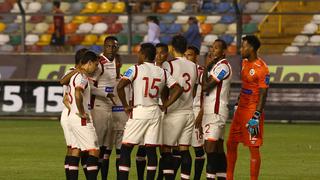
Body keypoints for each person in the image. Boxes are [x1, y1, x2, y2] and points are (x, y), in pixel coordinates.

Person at [117, 43, 183, 180]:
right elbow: (178, 89)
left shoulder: (135, 69)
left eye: (139, 52)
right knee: (151, 150)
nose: (138, 55)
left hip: (139, 111)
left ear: (143, 54)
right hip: (155, 112)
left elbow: (120, 86)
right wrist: (165, 105)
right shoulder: (163, 72)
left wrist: (125, 105)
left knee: (126, 149)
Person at [226, 35, 269, 180]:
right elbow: (245, 87)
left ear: (251, 48)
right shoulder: (244, 63)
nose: (241, 49)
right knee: (231, 143)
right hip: (241, 110)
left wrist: (257, 115)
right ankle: (229, 177)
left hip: (252, 112)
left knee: (253, 147)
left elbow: (263, 94)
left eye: (243, 46)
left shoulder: (262, 68)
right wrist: (238, 102)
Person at [161, 35, 198, 180]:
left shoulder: (168, 65)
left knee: (166, 150)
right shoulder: (194, 66)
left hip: (174, 112)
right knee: (184, 150)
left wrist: (164, 104)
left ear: (171, 48)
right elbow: (193, 89)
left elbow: (164, 87)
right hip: (189, 111)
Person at [195, 39, 232, 180]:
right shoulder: (216, 66)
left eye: (216, 48)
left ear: (223, 52)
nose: (213, 50)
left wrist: (206, 67)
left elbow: (205, 86)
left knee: (209, 150)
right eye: (212, 47)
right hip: (211, 112)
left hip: (216, 113)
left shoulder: (223, 67)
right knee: (217, 149)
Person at [67, 50, 100, 180]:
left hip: (72, 118)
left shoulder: (74, 76)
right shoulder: (82, 77)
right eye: (95, 65)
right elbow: (77, 92)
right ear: (89, 62)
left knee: (76, 150)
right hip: (80, 119)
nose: (96, 68)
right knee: (94, 150)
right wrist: (82, 112)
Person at [90, 36, 119, 180]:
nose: (111, 49)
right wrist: (106, 94)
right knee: (98, 145)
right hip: (99, 107)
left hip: (111, 108)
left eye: (114, 46)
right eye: (108, 46)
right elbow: (90, 86)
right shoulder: (99, 63)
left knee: (107, 148)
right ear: (103, 46)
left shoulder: (116, 61)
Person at [60, 48, 87, 179]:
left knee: (76, 149)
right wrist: (74, 110)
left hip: (75, 113)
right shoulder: (72, 72)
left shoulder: (83, 74)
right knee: (74, 149)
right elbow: (65, 97)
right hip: (71, 113)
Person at [184, 46, 205, 180]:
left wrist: (201, 114)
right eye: (185, 55)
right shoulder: (181, 71)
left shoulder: (202, 72)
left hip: (196, 111)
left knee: (198, 149)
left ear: (196, 57)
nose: (187, 58)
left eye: (190, 55)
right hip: (182, 112)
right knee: (181, 148)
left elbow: (207, 95)